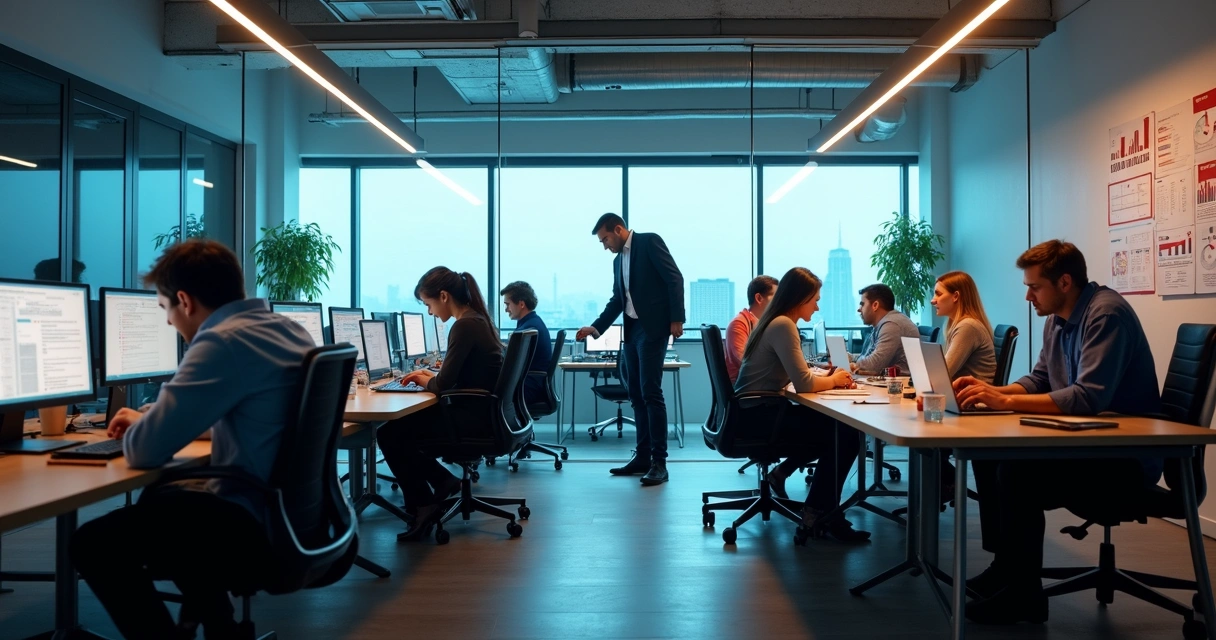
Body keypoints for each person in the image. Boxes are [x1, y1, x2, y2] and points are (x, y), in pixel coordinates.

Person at [71, 239, 315, 640]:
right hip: (293, 514)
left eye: (165, 308)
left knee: (94, 543)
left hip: (250, 521)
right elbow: (250, 413)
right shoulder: (286, 329)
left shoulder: (221, 340)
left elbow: (145, 452)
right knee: (167, 502)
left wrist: (147, 425)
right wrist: (155, 416)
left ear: (184, 301)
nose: (168, 322)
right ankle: (220, 626)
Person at [953, 240, 1162, 625]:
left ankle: (1024, 596)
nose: (1028, 295)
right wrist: (992, 393)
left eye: (1035, 287)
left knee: (1019, 473)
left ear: (1064, 282)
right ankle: (1006, 570)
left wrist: (1003, 403)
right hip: (1089, 444)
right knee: (987, 453)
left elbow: (1088, 397)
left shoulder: (1106, 315)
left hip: (1127, 457)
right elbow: (1040, 379)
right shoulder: (1056, 319)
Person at [734, 267, 870, 542]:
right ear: (800, 298)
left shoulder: (775, 322)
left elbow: (799, 374)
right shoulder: (783, 324)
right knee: (848, 433)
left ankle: (821, 510)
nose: (818, 306)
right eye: (815, 299)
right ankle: (819, 512)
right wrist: (836, 379)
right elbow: (805, 383)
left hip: (753, 412)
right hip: (760, 417)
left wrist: (826, 377)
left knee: (838, 430)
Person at [378, 267, 504, 541]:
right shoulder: (477, 320)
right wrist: (428, 377)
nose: (430, 312)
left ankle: (424, 505)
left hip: (469, 417)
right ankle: (441, 482)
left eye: (429, 304)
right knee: (397, 430)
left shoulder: (465, 325)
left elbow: (443, 385)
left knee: (389, 433)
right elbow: (452, 377)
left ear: (443, 296)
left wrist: (425, 380)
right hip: (481, 414)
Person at [576, 213, 685, 486]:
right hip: (633, 331)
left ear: (618, 229)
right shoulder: (618, 261)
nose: (605, 246)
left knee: (651, 392)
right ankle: (643, 457)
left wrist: (676, 319)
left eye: (605, 239)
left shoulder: (649, 243)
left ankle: (659, 462)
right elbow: (617, 300)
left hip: (653, 329)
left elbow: (675, 279)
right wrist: (596, 328)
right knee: (635, 394)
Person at [931, 271, 997, 383]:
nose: (932, 300)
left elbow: (941, 375)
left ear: (955, 296)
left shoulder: (968, 326)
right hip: (962, 395)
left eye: (938, 294)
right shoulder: (958, 324)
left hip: (971, 398)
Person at [501, 280, 553, 405]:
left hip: (528, 387)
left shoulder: (528, 330)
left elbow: (512, 362)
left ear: (521, 304)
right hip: (533, 384)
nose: (506, 309)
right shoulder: (533, 323)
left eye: (508, 304)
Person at [852, 283, 919, 375]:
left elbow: (872, 366)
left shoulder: (892, 325)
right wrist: (850, 359)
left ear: (875, 305)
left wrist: (853, 364)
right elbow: (867, 356)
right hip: (886, 382)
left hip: (898, 386)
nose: (859, 309)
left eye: (862, 305)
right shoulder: (882, 324)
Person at [725, 275, 778, 383]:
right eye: (775, 297)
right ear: (759, 298)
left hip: (762, 383)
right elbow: (746, 363)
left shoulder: (766, 324)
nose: (778, 302)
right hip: (746, 387)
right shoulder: (739, 324)